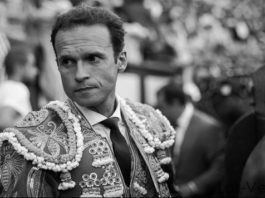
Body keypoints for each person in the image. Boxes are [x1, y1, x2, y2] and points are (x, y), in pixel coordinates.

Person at [0, 5, 176, 197]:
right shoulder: (30, 141)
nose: (80, 74)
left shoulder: (152, 124)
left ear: (121, 60)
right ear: (57, 65)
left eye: (93, 58)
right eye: (67, 62)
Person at [156, 82, 225, 198]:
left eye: (162, 107)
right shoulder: (166, 124)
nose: (160, 112)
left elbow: (220, 167)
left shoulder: (208, 127)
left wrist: (193, 187)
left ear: (175, 103)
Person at [0, 44, 38, 131]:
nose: (36, 71)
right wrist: (32, 122)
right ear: (19, 67)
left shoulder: (3, 87)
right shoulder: (18, 89)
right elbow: (3, 121)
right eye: (32, 65)